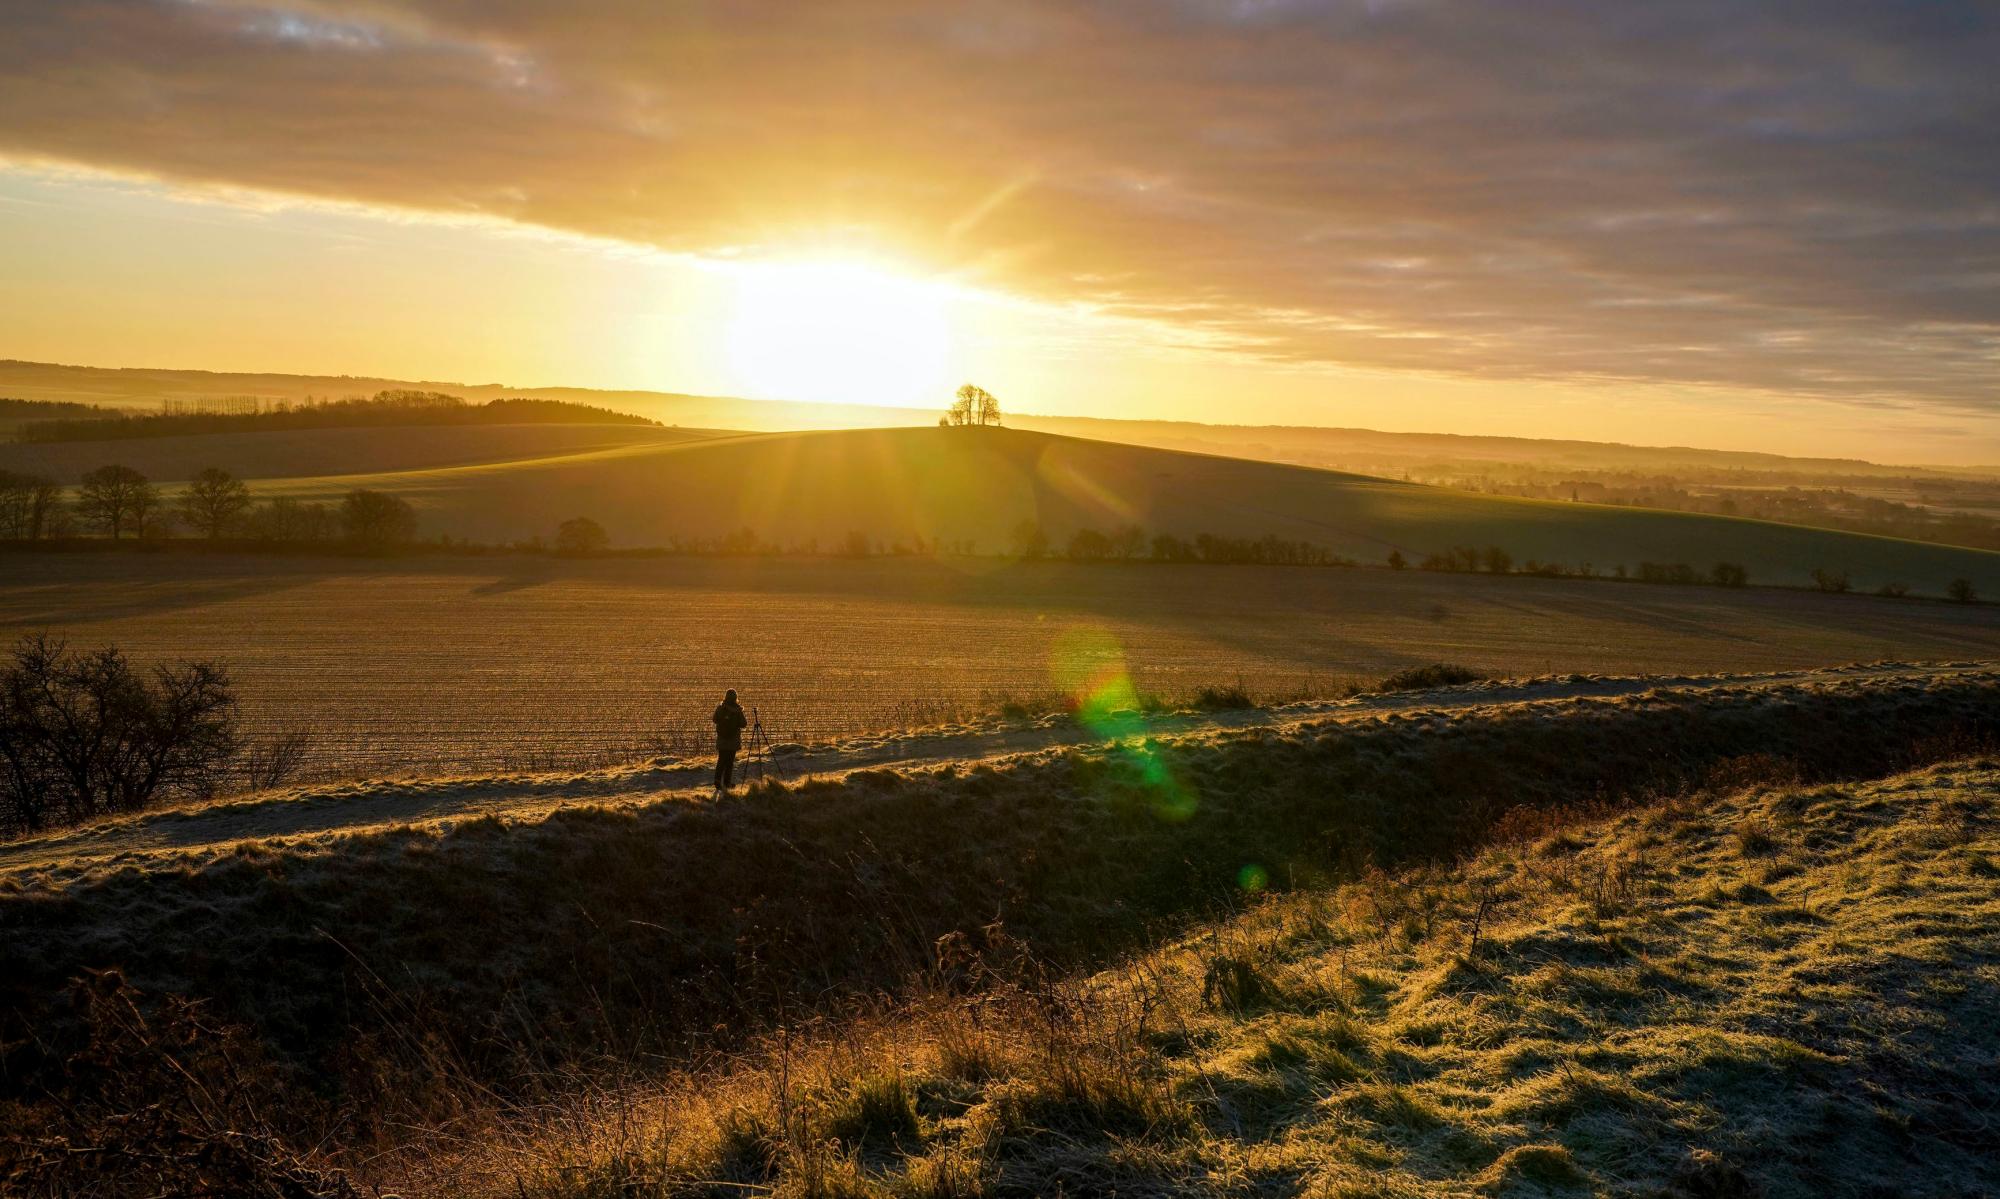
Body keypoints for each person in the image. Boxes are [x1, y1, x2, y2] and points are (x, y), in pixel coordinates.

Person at [711, 689, 747, 792]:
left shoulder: (720, 708)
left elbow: (714, 720)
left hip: (722, 739)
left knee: (721, 760)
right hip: (733, 740)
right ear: (736, 698)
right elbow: (744, 724)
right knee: (730, 762)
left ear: (725, 697)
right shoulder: (738, 710)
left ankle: (717, 781)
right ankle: (727, 783)